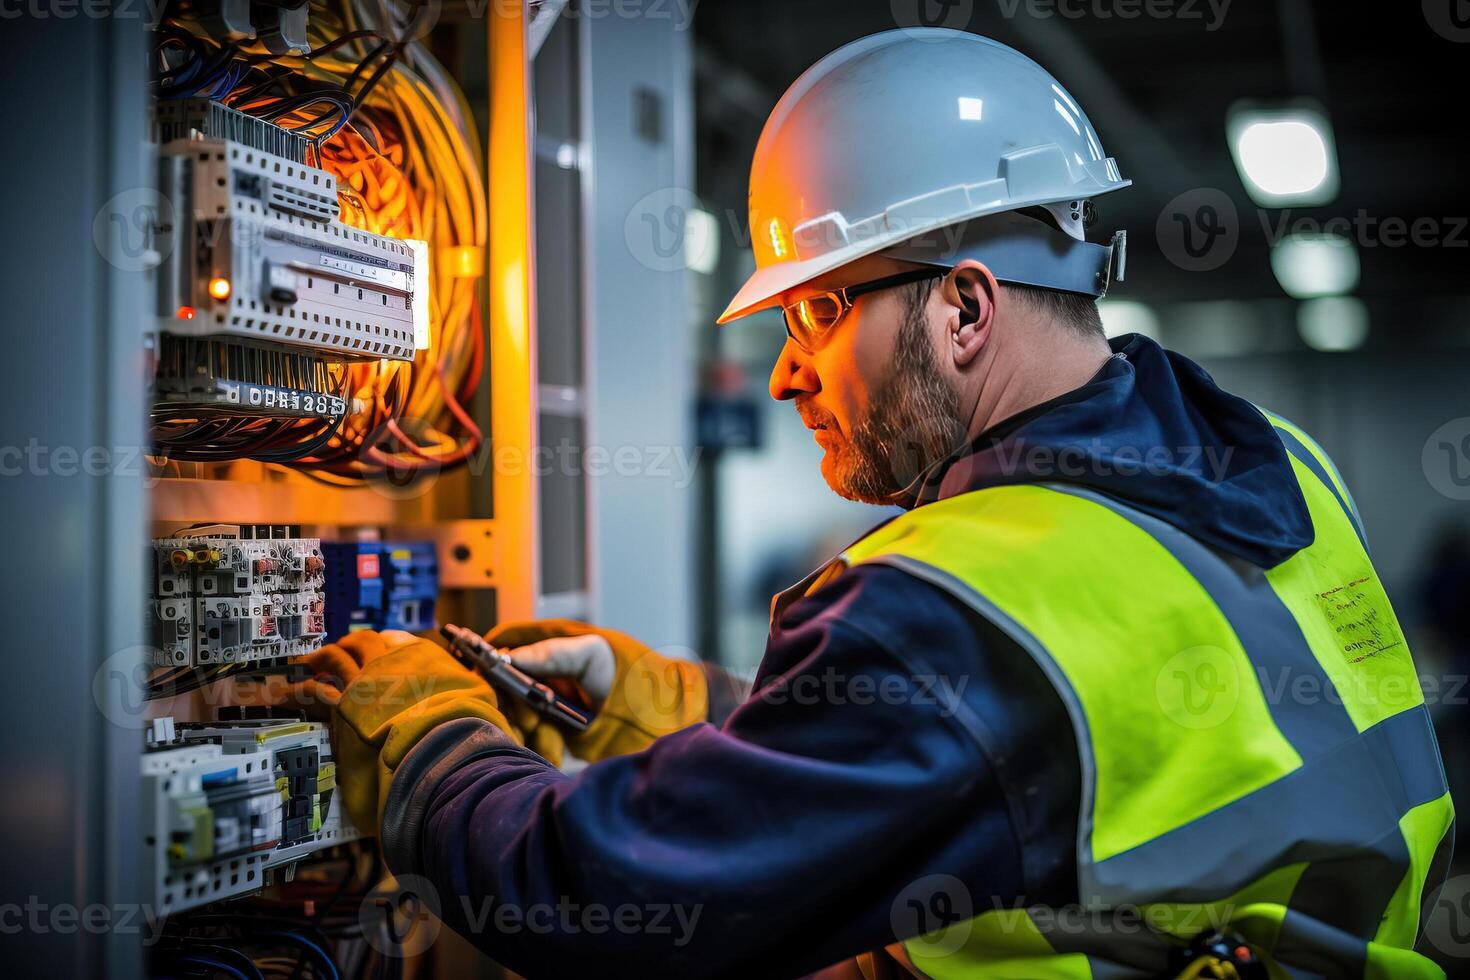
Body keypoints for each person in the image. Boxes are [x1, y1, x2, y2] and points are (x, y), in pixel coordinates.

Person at [291, 29, 1453, 979]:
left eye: (817, 313)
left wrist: (434, 737)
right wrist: (654, 702)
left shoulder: (964, 601)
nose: (786, 371)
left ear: (963, 308)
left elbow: (599, 898)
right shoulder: (1275, 461)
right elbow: (1034, 752)